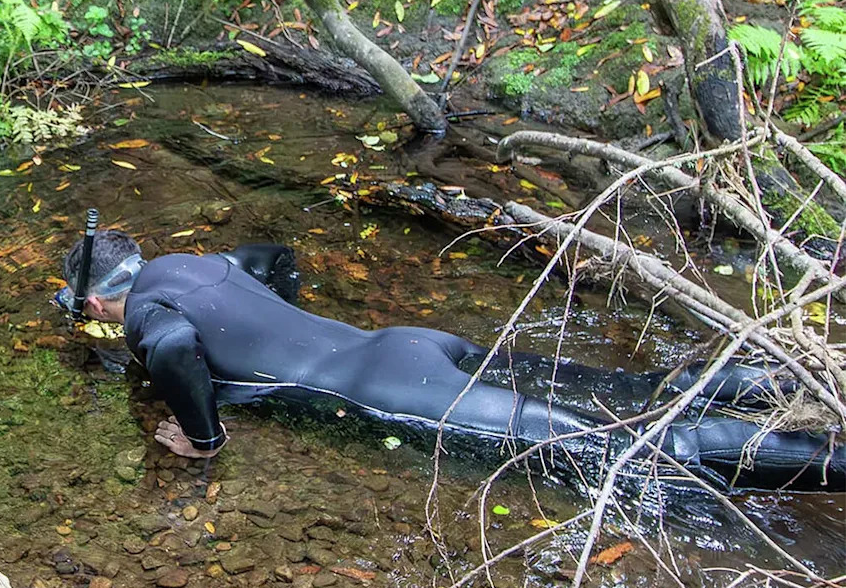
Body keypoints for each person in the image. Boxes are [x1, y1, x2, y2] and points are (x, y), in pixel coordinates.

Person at [55, 229, 845, 493]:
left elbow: (172, 349)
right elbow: (274, 256)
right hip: (413, 343)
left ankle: (827, 459)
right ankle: (790, 383)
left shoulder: (147, 313)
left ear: (94, 301)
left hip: (394, 388)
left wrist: (204, 437)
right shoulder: (196, 261)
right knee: (632, 391)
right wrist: (283, 321)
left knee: (621, 450)